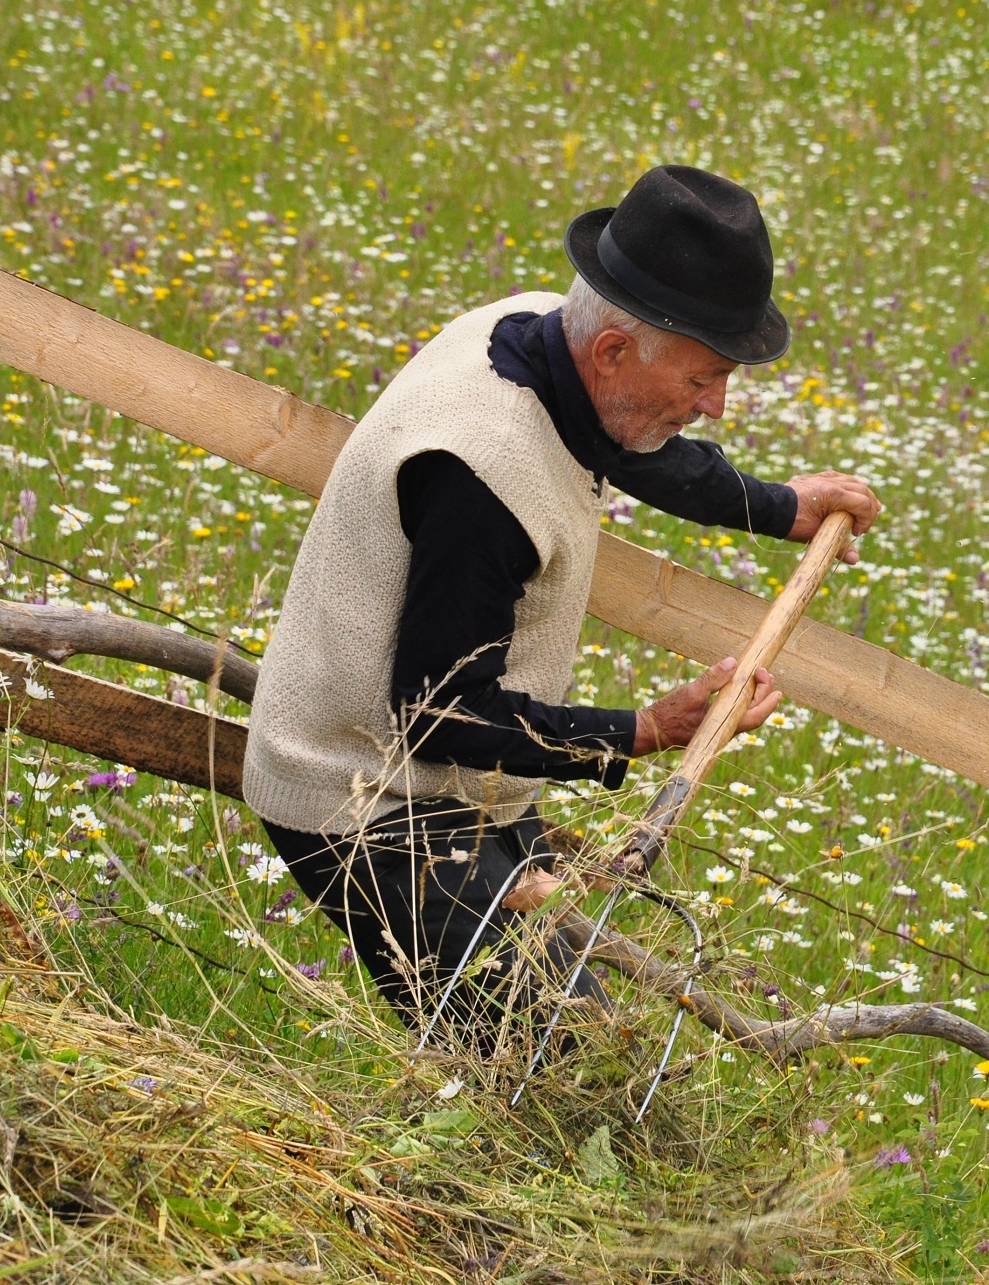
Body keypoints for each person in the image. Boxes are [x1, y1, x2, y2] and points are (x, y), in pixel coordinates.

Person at [241, 165, 882, 1046]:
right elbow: (438, 718)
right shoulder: (480, 476)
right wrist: (647, 728)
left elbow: (620, 439)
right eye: (703, 380)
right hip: (362, 796)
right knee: (554, 1063)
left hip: (456, 783)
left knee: (554, 1044)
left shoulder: (546, 335)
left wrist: (772, 504)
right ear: (615, 349)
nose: (716, 405)